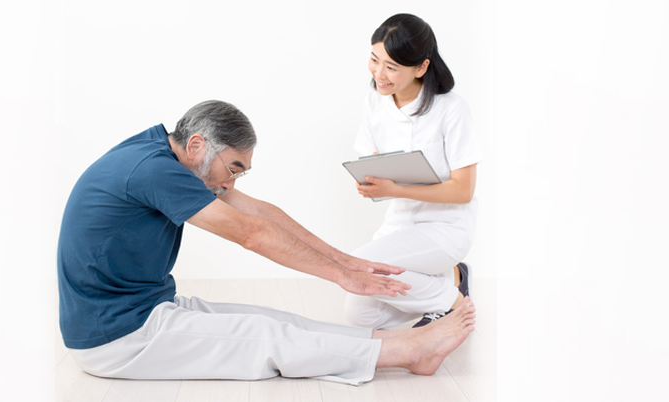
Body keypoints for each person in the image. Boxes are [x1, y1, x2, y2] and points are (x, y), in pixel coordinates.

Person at [57, 100, 475, 385]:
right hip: (118, 337)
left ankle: (400, 344)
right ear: (197, 144)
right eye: (233, 168)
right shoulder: (156, 171)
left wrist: (346, 261)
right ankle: (410, 352)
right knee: (266, 336)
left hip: (143, 311)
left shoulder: (165, 152)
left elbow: (260, 213)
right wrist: (342, 278)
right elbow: (252, 234)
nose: (231, 183)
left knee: (274, 319)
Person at [344, 14, 483, 330]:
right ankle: (452, 279)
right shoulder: (374, 102)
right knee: (361, 315)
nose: (379, 73)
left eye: (392, 67)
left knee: (361, 266)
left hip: (446, 227)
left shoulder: (451, 109)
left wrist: (394, 189)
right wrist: (370, 178)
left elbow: (463, 190)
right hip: (400, 222)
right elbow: (372, 158)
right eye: (374, 59)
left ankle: (452, 301)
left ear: (421, 67)